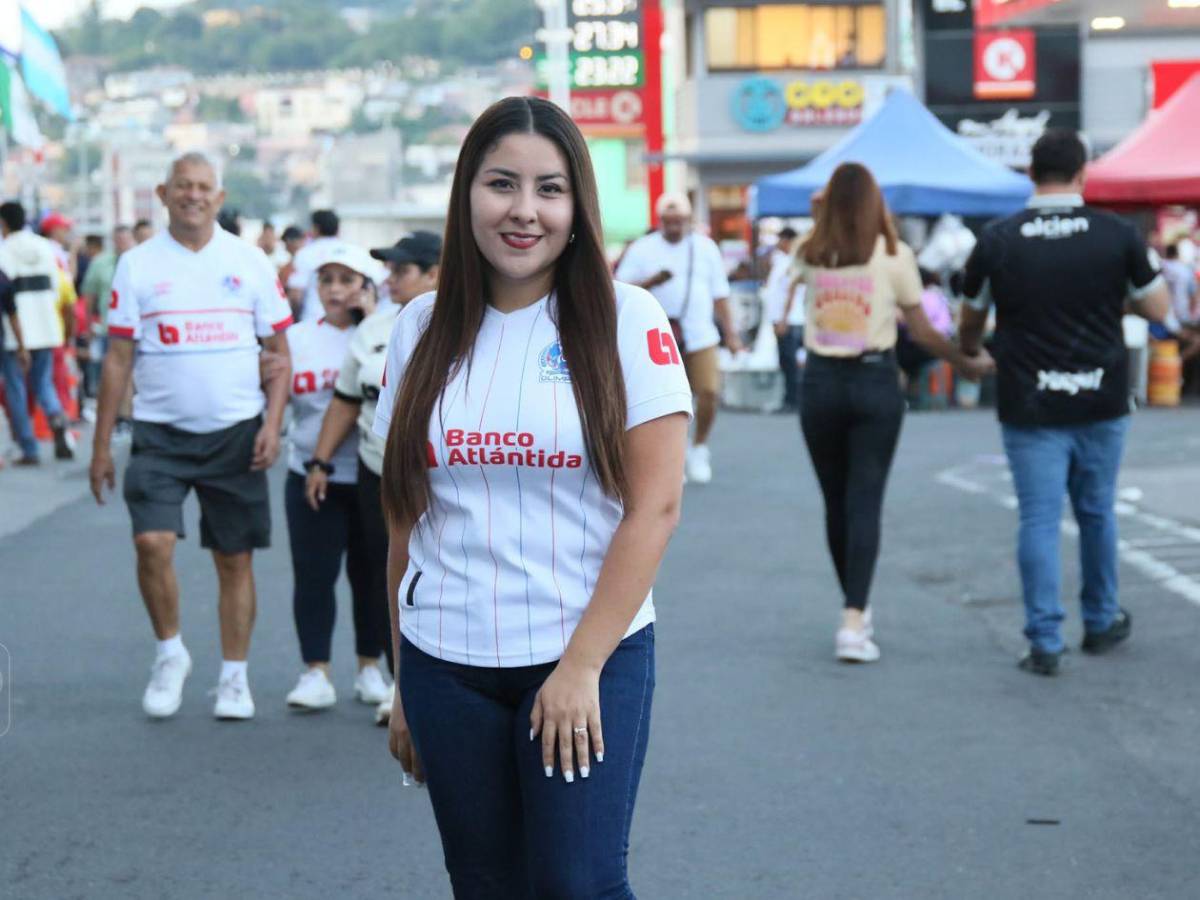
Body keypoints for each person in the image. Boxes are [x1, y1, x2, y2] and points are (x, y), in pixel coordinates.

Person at [374, 96, 691, 897]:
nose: (524, 211)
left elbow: (655, 507)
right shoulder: (417, 328)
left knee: (576, 884)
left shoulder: (627, 320)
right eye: (501, 184)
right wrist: (404, 678)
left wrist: (581, 666)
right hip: (448, 664)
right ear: (464, 196)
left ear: (578, 204)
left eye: (549, 189)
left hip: (586, 655)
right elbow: (406, 514)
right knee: (485, 884)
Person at [89, 151, 294, 719]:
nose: (193, 196)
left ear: (219, 198)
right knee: (151, 543)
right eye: (183, 186)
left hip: (236, 433)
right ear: (163, 193)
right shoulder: (137, 265)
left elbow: (279, 353)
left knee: (235, 559)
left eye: (204, 187)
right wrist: (102, 445)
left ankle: (233, 677)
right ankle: (170, 651)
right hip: (159, 434)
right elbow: (117, 359)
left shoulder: (249, 262)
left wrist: (273, 424)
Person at [960, 130, 1169, 676]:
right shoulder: (1115, 234)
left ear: (1031, 175)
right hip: (1101, 395)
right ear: (1082, 174)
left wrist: (971, 350)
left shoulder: (999, 239)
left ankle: (1045, 640)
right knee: (1097, 511)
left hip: (1030, 399)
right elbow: (1159, 307)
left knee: (1038, 517)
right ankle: (1100, 620)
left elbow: (970, 319)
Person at [786, 164, 992, 663]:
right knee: (865, 499)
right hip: (874, 381)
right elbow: (920, 331)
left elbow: (809, 243)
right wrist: (964, 361)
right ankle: (855, 616)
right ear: (876, 204)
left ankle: (853, 612)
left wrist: (821, 210)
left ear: (830, 204)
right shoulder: (895, 255)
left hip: (820, 383)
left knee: (836, 501)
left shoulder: (810, 251)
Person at [301, 230, 442, 725]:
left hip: (444, 479)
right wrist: (318, 461)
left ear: (434, 274)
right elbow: (346, 400)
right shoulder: (376, 327)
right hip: (377, 470)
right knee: (393, 573)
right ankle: (400, 681)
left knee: (438, 577)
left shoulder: (469, 324)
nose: (390, 278)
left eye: (401, 270)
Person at [281, 241, 392, 711]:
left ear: (369, 287)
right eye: (327, 280)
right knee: (314, 575)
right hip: (310, 472)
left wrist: (368, 323)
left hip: (370, 475)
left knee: (370, 577)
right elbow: (277, 398)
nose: (335, 290)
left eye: (347, 280)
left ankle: (370, 668)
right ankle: (315, 672)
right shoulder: (297, 338)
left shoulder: (388, 334)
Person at [615, 192, 741, 484]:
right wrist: (651, 282)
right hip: (655, 337)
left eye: (680, 221)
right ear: (660, 221)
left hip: (699, 334)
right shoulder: (643, 248)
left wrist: (731, 334)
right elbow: (618, 288)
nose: (674, 227)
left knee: (709, 391)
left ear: (689, 221)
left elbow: (720, 294)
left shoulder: (705, 248)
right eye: (669, 221)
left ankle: (699, 447)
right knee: (662, 401)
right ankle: (674, 456)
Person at [0, 201, 76, 464]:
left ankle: (28, 448)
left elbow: (5, 294)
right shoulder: (45, 247)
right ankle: (56, 418)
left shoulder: (4, 250)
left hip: (15, 330)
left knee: (15, 388)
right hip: (45, 325)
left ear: (4, 223)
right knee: (44, 382)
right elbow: (58, 287)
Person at [762, 226, 802, 411]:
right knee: (786, 362)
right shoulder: (782, 261)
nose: (779, 244)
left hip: (789, 320)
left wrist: (784, 319)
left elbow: (791, 293)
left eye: (781, 240)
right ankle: (790, 397)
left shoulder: (791, 262)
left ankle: (793, 399)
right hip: (781, 319)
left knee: (790, 363)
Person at [288, 209, 340, 322]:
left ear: (315, 228)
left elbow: (296, 296)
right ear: (338, 229)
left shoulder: (305, 254)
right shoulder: (355, 253)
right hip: (347, 324)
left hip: (312, 322)